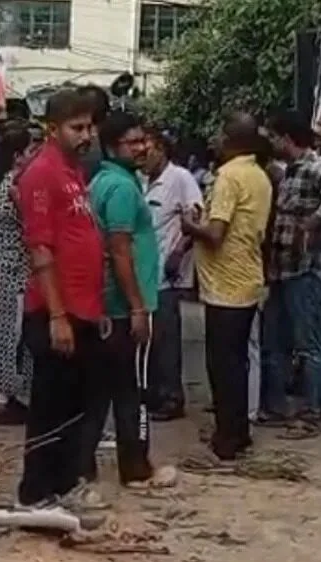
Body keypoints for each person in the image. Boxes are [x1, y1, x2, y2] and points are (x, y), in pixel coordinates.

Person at [15, 89, 107, 510]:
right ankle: (35, 493)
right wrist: (57, 315)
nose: (86, 135)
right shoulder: (42, 173)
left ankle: (66, 484)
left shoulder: (74, 172)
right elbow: (41, 250)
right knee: (50, 406)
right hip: (56, 310)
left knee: (76, 404)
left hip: (83, 308)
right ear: (52, 130)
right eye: (77, 128)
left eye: (89, 127)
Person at [81, 111, 176, 489]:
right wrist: (138, 306)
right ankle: (135, 467)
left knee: (100, 390)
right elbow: (119, 250)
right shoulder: (121, 188)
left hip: (109, 304)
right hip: (125, 306)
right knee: (132, 391)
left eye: (144, 140)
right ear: (111, 146)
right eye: (132, 142)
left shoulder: (103, 181)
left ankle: (84, 465)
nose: (142, 147)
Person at [182, 113, 272, 463]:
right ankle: (239, 432)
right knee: (236, 362)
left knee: (222, 364)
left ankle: (227, 438)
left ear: (233, 140)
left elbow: (216, 234)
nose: (215, 141)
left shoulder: (230, 176)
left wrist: (190, 225)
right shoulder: (259, 175)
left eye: (220, 134)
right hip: (246, 276)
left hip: (226, 283)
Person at [259, 110, 321, 434]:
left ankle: (310, 412)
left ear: (286, 139)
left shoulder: (316, 169)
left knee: (307, 343)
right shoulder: (288, 173)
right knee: (275, 342)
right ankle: (278, 409)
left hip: (304, 269)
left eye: (273, 137)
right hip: (281, 270)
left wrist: (313, 222)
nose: (270, 143)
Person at [141, 125, 204, 421]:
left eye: (148, 148)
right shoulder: (141, 179)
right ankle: (152, 393)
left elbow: (195, 217)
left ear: (162, 150)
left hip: (166, 273)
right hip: (143, 271)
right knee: (149, 339)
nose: (143, 154)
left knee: (166, 338)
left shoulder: (180, 178)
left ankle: (171, 397)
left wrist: (179, 252)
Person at [0, 119, 35, 425]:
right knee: (9, 336)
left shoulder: (5, 185)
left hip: (8, 269)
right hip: (11, 270)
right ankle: (2, 401)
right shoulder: (13, 189)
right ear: (18, 156)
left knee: (9, 334)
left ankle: (5, 397)